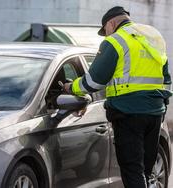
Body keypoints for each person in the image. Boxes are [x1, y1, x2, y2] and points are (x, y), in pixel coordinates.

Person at [64, 6, 172, 188]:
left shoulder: (115, 41)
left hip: (128, 113)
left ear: (112, 23)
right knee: (144, 171)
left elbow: (93, 82)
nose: (105, 35)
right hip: (154, 114)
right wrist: (162, 107)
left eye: (105, 30)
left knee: (132, 170)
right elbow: (166, 78)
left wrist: (71, 87)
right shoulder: (153, 37)